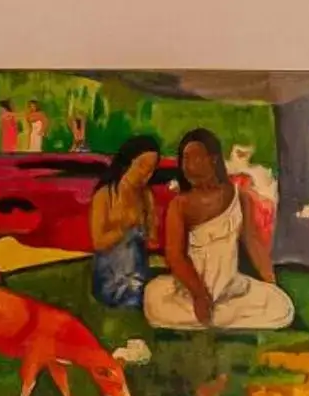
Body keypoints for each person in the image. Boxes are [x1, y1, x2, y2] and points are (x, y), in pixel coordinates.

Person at [145, 128, 294, 331]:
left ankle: (219, 314)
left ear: (213, 159)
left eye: (195, 158)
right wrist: (199, 295)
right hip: (190, 291)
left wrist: (271, 282)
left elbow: (253, 243)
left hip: (230, 289)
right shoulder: (179, 205)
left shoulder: (239, 197)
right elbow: (175, 256)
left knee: (281, 305)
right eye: (184, 159)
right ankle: (211, 312)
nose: (188, 166)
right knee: (157, 303)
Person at [87, 134, 162, 310]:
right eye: (142, 166)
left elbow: (152, 240)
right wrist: (125, 227)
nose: (146, 174)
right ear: (127, 162)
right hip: (111, 276)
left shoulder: (146, 196)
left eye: (151, 169)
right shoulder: (105, 195)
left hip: (138, 272)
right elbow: (98, 242)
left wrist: (151, 236)